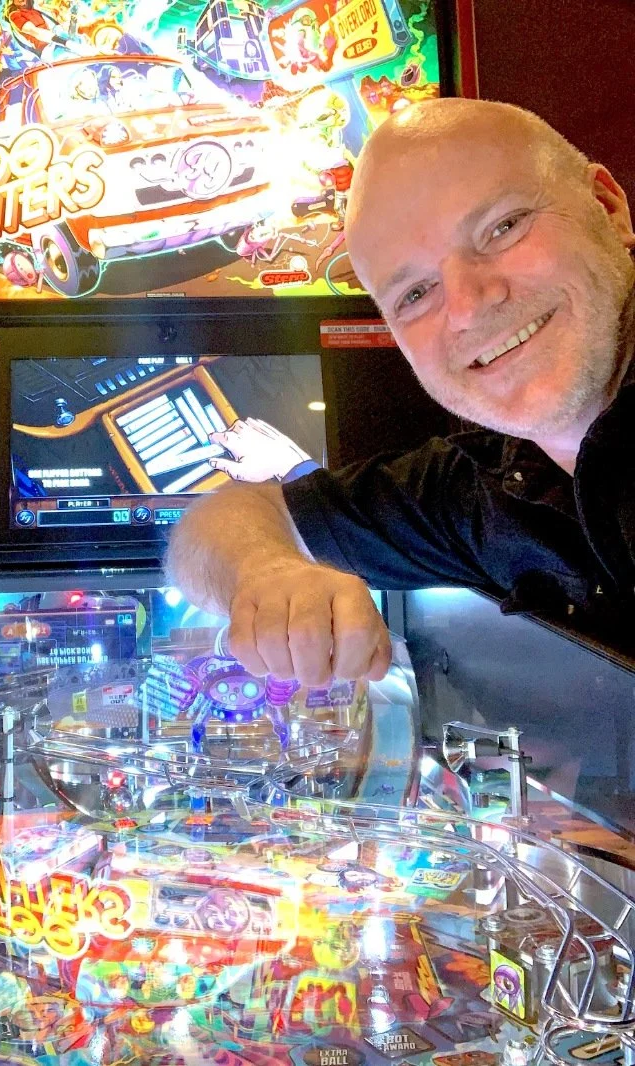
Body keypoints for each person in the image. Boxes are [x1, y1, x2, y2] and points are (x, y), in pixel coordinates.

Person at [166, 97, 635, 687]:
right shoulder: (476, 487)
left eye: (503, 228)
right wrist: (267, 571)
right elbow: (217, 523)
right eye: (415, 294)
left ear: (607, 208)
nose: (467, 306)